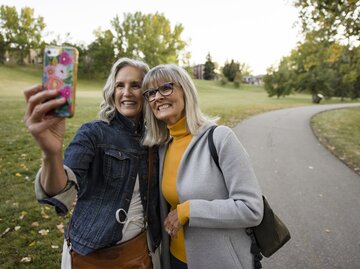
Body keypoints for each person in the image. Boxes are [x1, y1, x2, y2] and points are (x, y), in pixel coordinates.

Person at [23, 58, 161, 269]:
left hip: (142, 251)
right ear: (111, 91)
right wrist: (51, 154)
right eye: (119, 85)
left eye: (136, 85)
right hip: (92, 256)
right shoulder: (94, 132)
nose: (126, 92)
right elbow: (60, 189)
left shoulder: (154, 138)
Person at [141, 64, 264, 269]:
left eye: (165, 88)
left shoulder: (220, 138)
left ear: (185, 91)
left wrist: (189, 210)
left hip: (221, 262)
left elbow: (251, 208)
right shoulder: (162, 148)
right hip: (175, 261)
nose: (157, 97)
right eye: (151, 92)